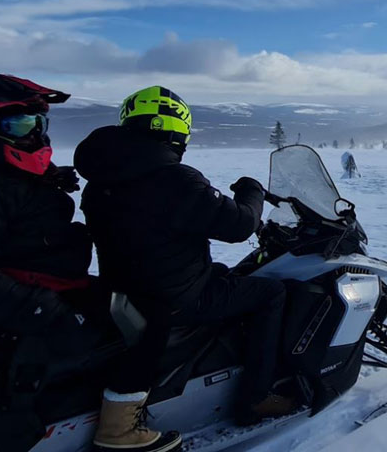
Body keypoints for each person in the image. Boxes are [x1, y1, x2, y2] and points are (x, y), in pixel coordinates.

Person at [0, 75, 180, 452]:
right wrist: (53, 315)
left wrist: (45, 179)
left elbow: (0, 203)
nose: (34, 135)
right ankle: (120, 432)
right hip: (33, 307)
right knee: (155, 315)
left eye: (38, 123)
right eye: (18, 124)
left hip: (44, 287)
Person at [74, 85, 295, 427]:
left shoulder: (102, 179)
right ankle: (255, 398)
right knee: (271, 293)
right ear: (175, 129)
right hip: (174, 299)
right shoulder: (171, 178)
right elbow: (238, 226)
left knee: (225, 273)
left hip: (128, 289)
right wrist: (252, 191)